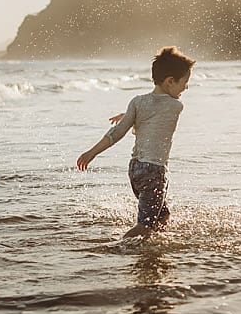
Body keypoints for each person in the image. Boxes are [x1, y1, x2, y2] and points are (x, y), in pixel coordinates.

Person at [77, 49, 193, 238]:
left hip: (136, 170)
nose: (186, 88)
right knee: (145, 226)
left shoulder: (137, 102)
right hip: (154, 172)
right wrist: (135, 119)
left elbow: (117, 132)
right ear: (170, 81)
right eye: (184, 83)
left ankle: (150, 252)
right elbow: (157, 115)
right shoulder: (176, 106)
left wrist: (92, 152)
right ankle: (116, 247)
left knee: (163, 216)